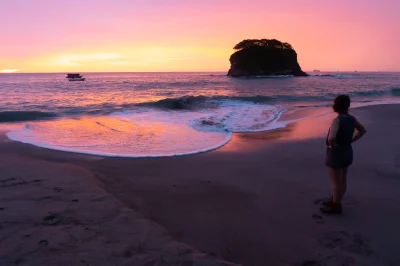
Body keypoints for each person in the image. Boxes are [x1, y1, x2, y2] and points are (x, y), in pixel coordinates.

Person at [320, 95, 367, 214]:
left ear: (336, 105)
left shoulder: (337, 120)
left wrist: (333, 146)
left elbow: (331, 138)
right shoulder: (352, 119)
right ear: (347, 106)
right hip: (347, 151)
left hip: (337, 153)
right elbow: (362, 130)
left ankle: (336, 206)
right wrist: (351, 140)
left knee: (336, 183)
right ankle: (336, 200)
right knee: (343, 180)